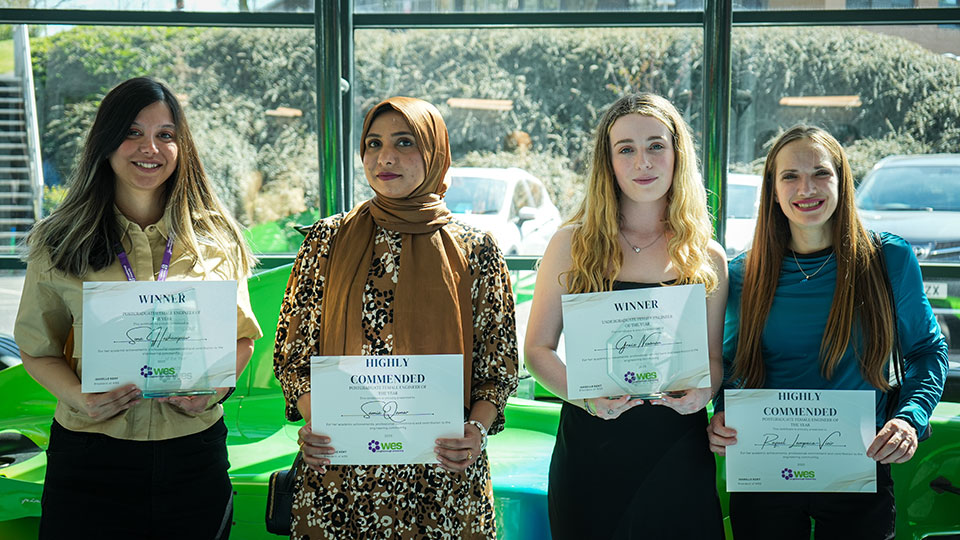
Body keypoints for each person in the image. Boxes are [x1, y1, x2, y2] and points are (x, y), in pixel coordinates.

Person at [14, 77, 262, 539]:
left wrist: (213, 392)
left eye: (165, 134)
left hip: (194, 454)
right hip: (91, 456)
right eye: (132, 132)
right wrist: (79, 399)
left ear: (180, 146)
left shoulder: (216, 238)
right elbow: (37, 349)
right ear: (105, 142)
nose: (150, 147)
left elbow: (241, 339)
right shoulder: (59, 241)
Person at [273, 96, 518, 539]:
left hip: (443, 480)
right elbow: (294, 355)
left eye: (404, 142)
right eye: (373, 143)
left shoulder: (475, 248)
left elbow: (498, 368)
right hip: (341, 481)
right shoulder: (326, 241)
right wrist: (318, 425)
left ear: (435, 152)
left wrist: (475, 432)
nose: (384, 157)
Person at [706, 125, 948, 540]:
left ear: (841, 180)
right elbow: (730, 366)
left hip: (859, 464)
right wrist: (721, 416)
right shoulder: (743, 274)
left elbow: (927, 351)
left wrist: (910, 418)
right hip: (766, 469)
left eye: (820, 173)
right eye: (790, 176)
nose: (807, 188)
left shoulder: (888, 258)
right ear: (774, 189)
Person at [524, 92, 728, 539]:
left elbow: (713, 361)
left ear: (677, 154)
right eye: (627, 149)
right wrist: (584, 397)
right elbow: (537, 351)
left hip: (677, 451)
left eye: (656, 145)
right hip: (590, 450)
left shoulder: (705, 256)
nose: (643, 163)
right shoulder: (570, 244)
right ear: (609, 162)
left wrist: (702, 395)